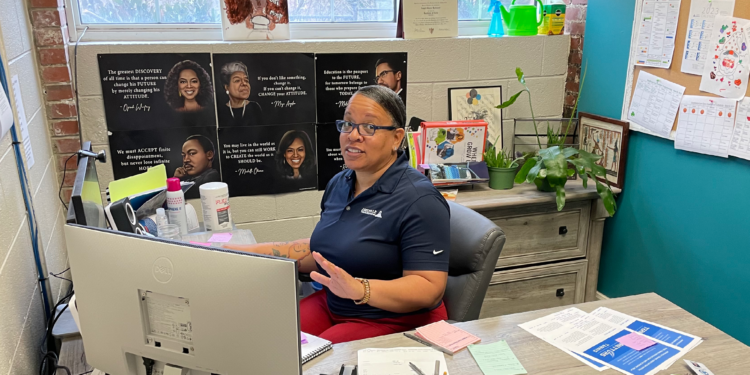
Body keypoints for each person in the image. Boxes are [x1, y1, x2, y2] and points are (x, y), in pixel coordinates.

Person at [225, 85, 450, 344]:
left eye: (369, 127)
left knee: (305, 362)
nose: (353, 135)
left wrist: (360, 289)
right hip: (335, 303)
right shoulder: (340, 183)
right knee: (263, 340)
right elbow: (323, 254)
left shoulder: (420, 200)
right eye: (348, 124)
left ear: (397, 138)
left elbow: (429, 288)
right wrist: (241, 252)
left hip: (392, 319)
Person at [218, 62, 263, 127]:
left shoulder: (255, 108)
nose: (244, 84)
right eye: (237, 80)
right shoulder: (220, 112)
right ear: (227, 87)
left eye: (246, 80)